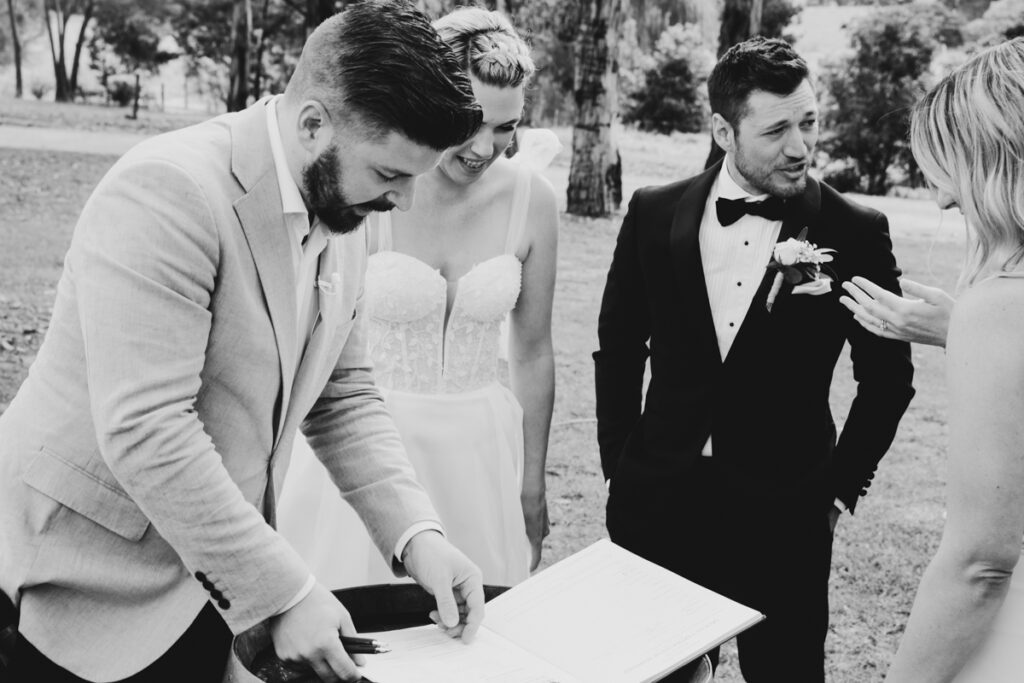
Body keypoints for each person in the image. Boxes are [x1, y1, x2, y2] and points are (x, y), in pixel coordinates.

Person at [0, 2, 488, 681]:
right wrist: (284, 595)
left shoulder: (347, 206)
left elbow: (343, 395)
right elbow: (147, 426)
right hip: (85, 585)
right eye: (389, 175)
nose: (403, 202)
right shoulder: (169, 191)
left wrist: (418, 537)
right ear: (314, 123)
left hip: (218, 573)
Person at [594, 37, 916, 682]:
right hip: (657, 504)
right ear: (722, 129)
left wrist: (836, 491)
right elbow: (620, 349)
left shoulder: (855, 230)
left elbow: (887, 379)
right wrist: (621, 468)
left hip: (787, 511)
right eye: (776, 130)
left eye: (809, 121)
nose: (800, 146)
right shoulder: (654, 212)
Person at [279, 5, 559, 589]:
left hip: (479, 452)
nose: (486, 148)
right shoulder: (372, 190)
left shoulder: (532, 200)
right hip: (371, 441)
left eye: (507, 128)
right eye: (474, 122)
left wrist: (531, 478)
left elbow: (532, 350)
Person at [880, 37, 1024, 683]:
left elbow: (982, 562)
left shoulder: (1000, 307)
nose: (941, 200)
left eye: (952, 168)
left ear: (1000, 161)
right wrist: (960, 336)